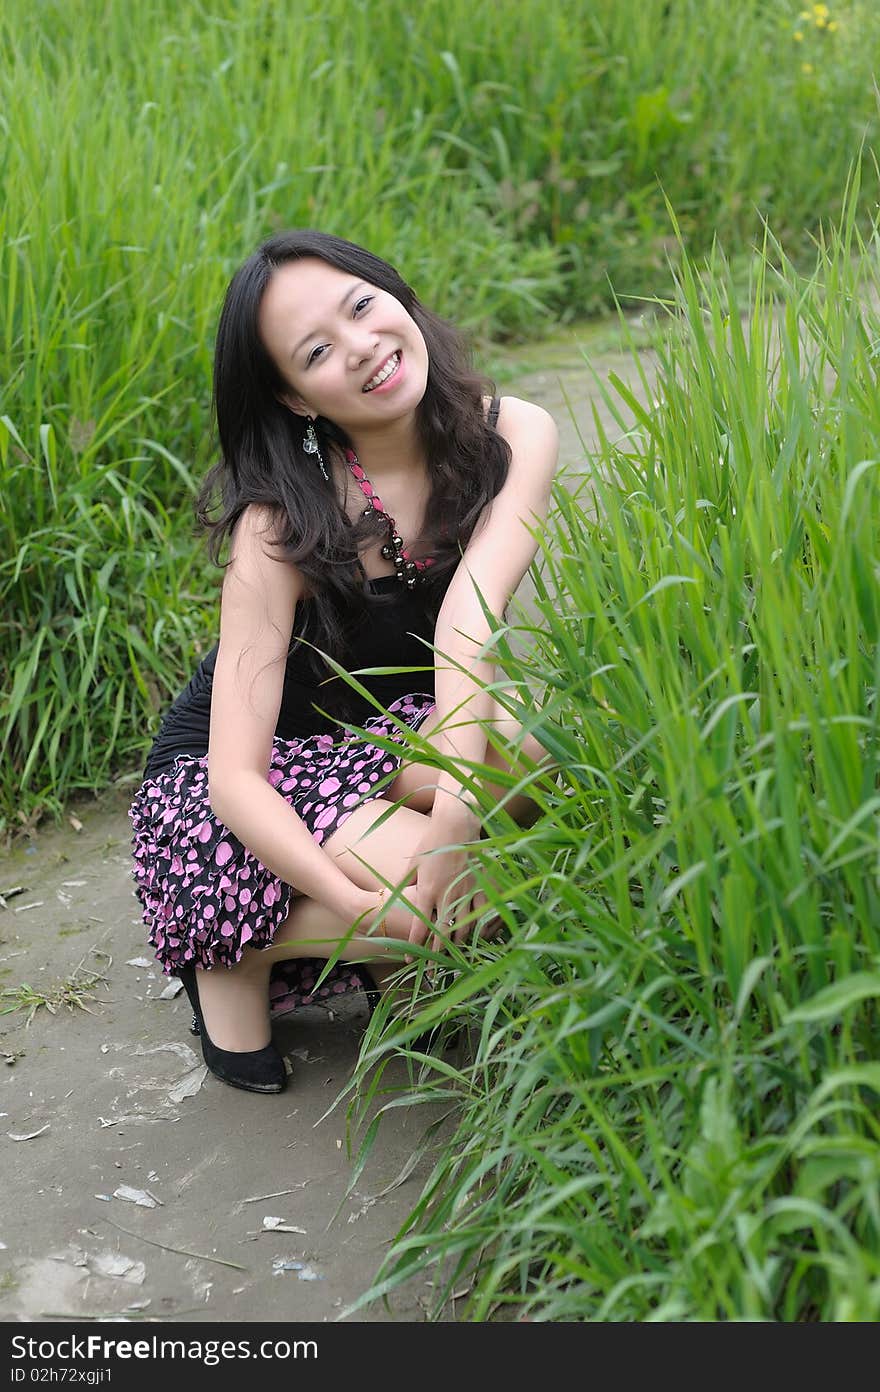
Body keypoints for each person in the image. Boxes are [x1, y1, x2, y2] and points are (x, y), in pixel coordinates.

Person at [128, 229, 559, 1095]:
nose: (363, 348)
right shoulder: (277, 527)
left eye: (362, 306)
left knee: (525, 759)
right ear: (293, 399)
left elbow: (467, 638)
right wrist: (372, 897)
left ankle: (365, 947)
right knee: (459, 905)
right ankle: (238, 950)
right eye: (318, 351)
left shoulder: (512, 434)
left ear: (393, 293)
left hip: (379, 738)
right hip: (243, 777)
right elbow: (234, 780)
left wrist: (454, 832)